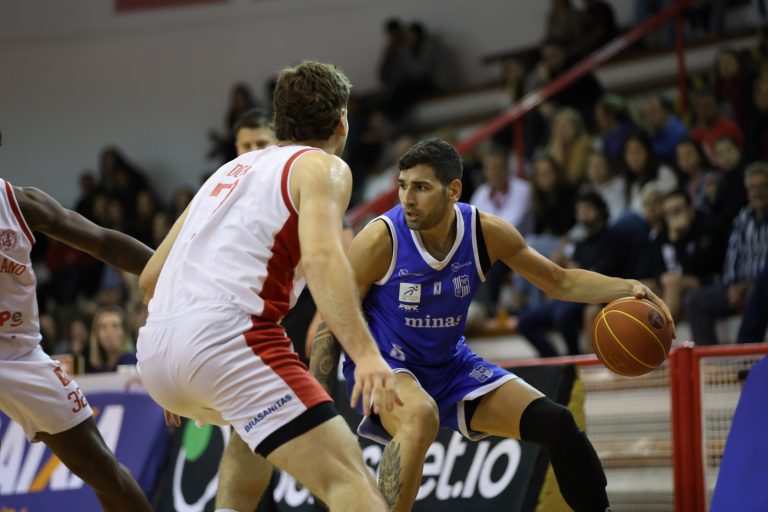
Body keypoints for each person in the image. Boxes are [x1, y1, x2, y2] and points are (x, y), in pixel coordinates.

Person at [310, 138, 673, 512]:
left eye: (421, 187)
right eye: (403, 186)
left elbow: (560, 281)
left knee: (557, 422)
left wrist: (628, 288)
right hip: (387, 364)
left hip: (450, 366)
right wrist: (317, 402)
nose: (407, 198)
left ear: (453, 191)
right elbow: (331, 316)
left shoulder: (485, 233)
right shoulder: (380, 238)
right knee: (419, 417)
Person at [136, 61, 400, 512]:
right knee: (349, 479)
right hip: (228, 342)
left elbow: (149, 279)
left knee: (249, 438)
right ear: (342, 121)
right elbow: (322, 259)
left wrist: (177, 358)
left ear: (279, 122)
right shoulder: (324, 167)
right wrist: (367, 354)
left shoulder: (228, 171)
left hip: (158, 354)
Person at [0, 180, 153, 511]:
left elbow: (102, 241)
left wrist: (169, 274)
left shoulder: (16, 203)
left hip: (19, 354)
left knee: (101, 470)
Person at [684, 162, 768, 345]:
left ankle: (746, 355)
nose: (758, 192)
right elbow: (733, 256)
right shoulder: (743, 217)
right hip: (738, 286)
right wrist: (733, 285)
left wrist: (748, 285)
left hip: (760, 287)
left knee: (758, 291)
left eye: (763, 186)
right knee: (695, 301)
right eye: (753, 187)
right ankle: (709, 360)